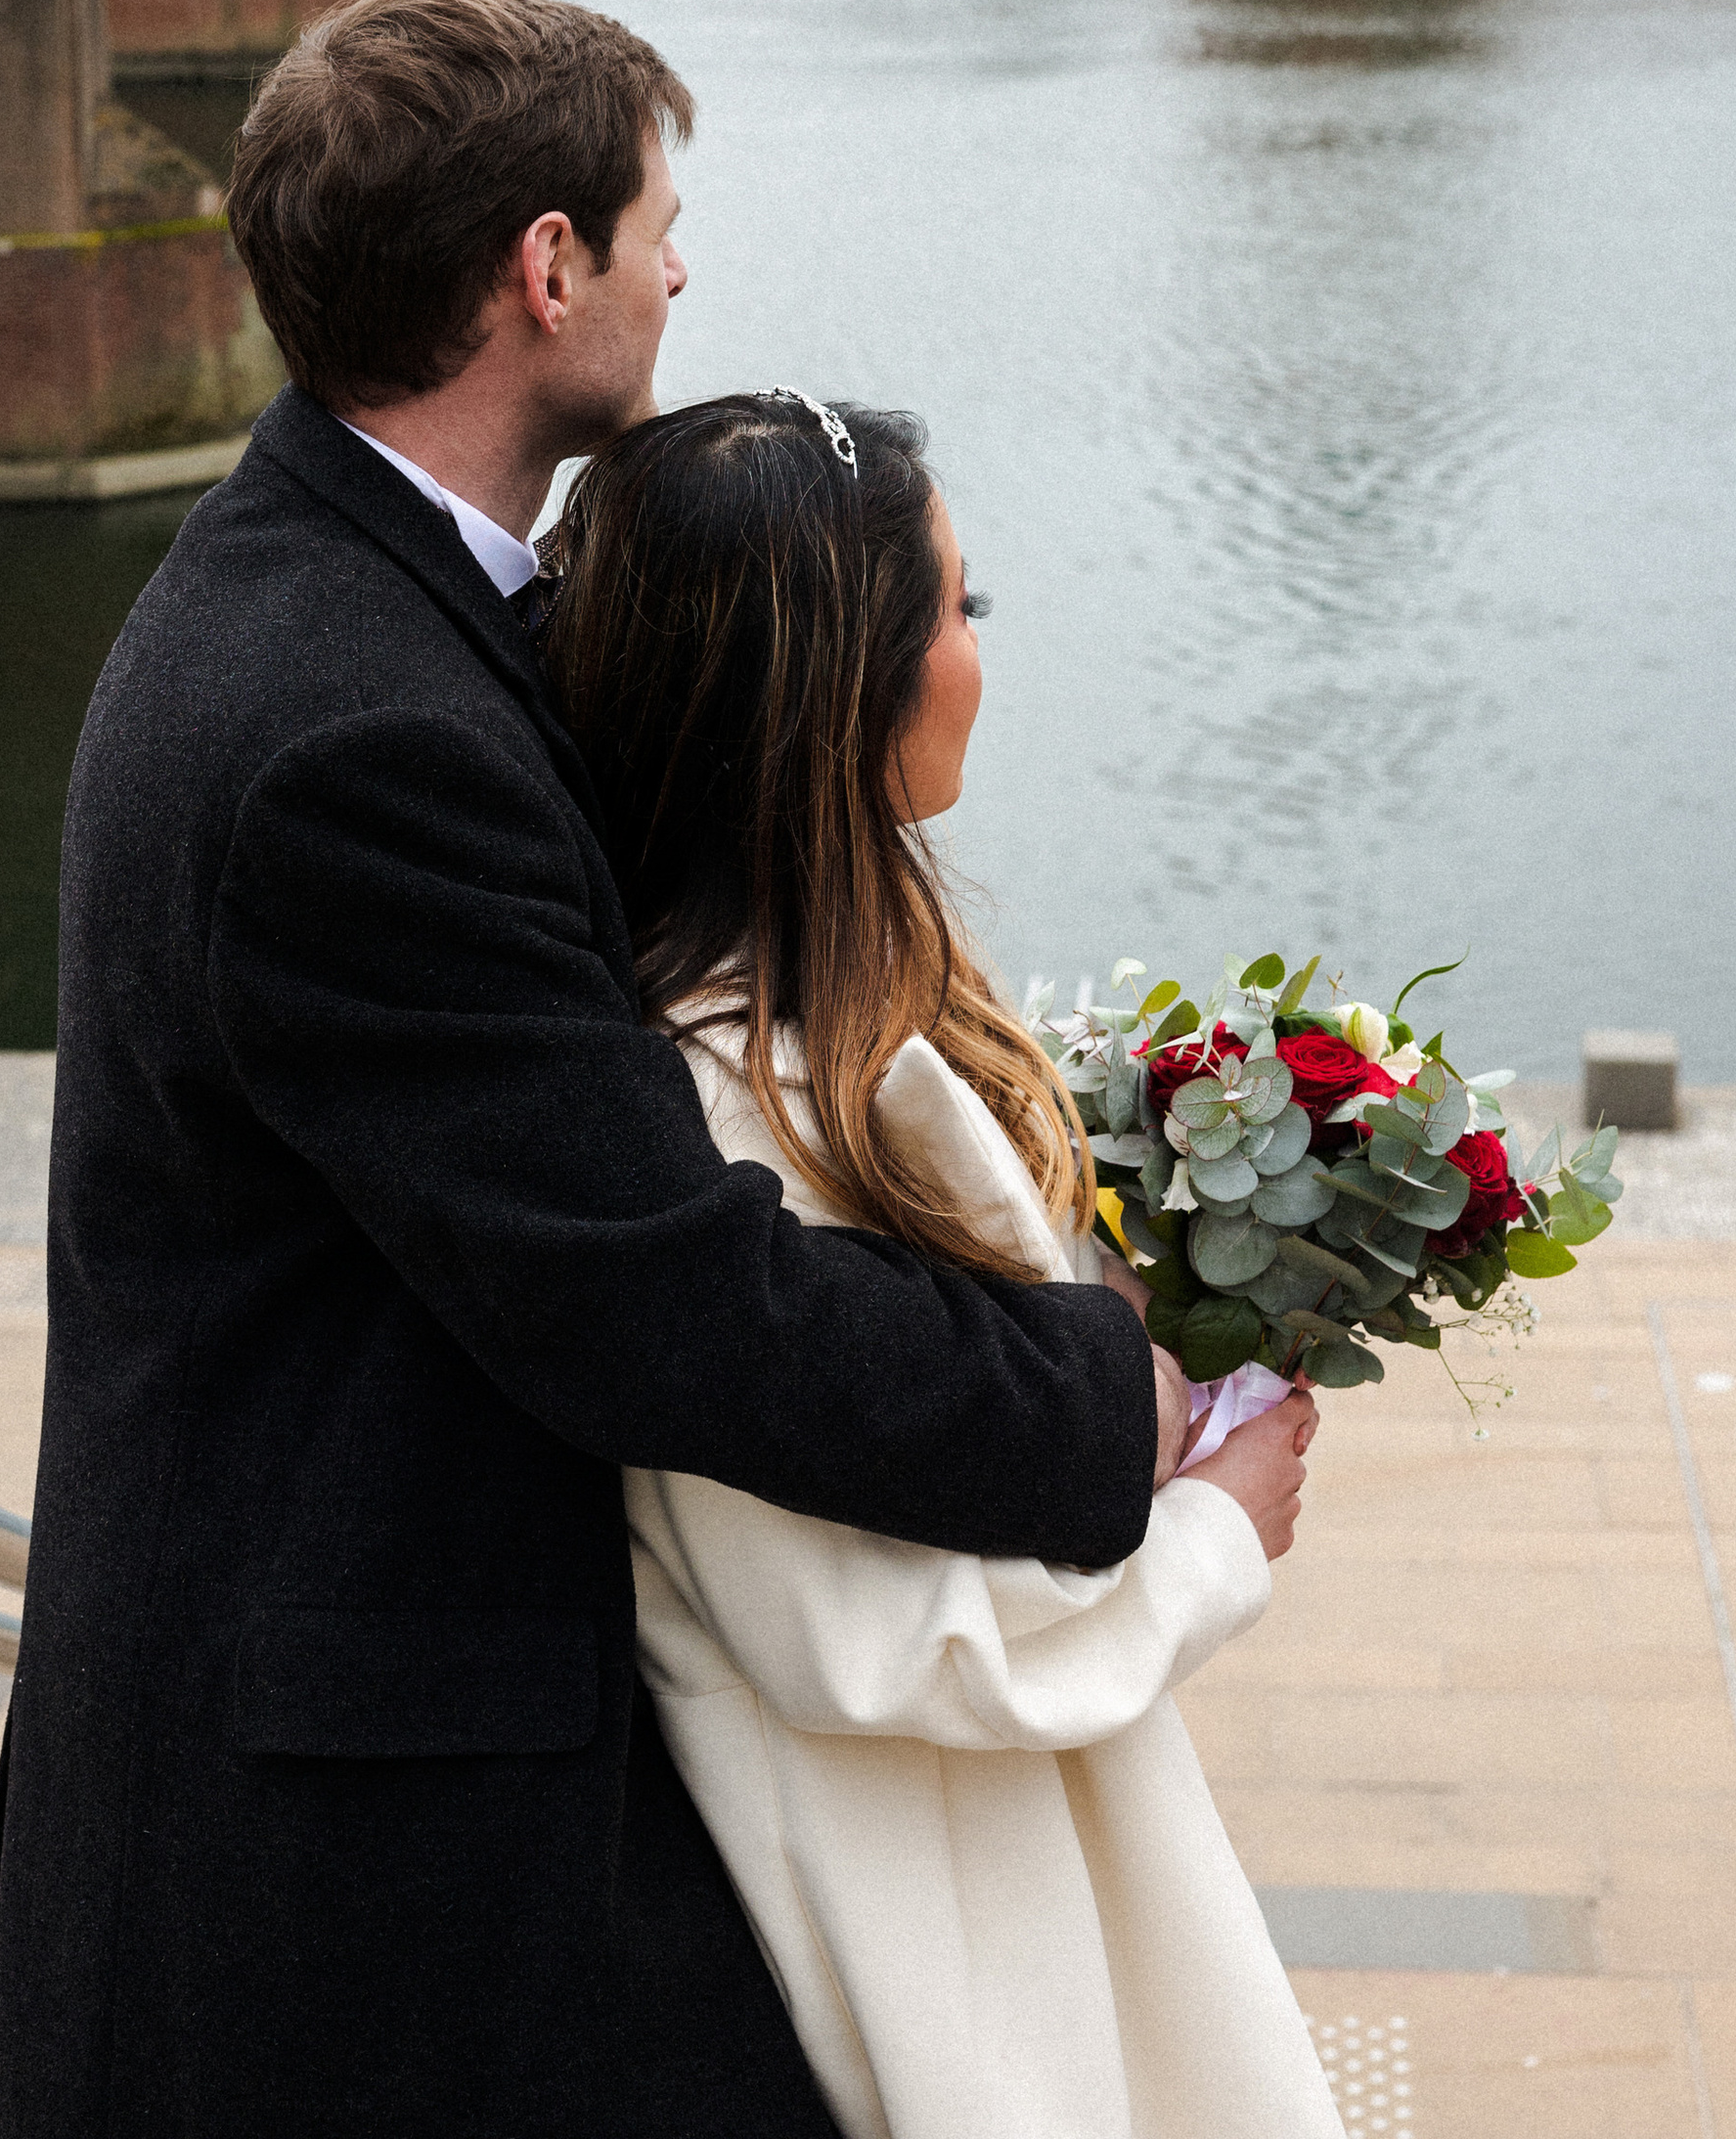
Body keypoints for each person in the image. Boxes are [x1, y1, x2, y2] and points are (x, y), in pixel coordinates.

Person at [0, 0, 1216, 2139]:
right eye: (655, 224)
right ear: (544, 268)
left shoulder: (328, 592)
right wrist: (1110, 1405)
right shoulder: (357, 733)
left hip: (325, 1700)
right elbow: (656, 1297)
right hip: (345, 1803)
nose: (680, 266)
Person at [540, 392, 1341, 2139]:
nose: (977, 651)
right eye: (955, 609)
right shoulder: (725, 1100)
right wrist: (1215, 1535)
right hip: (922, 1935)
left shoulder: (850, 1009)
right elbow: (867, 1646)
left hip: (993, 1874)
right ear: (841, 685)